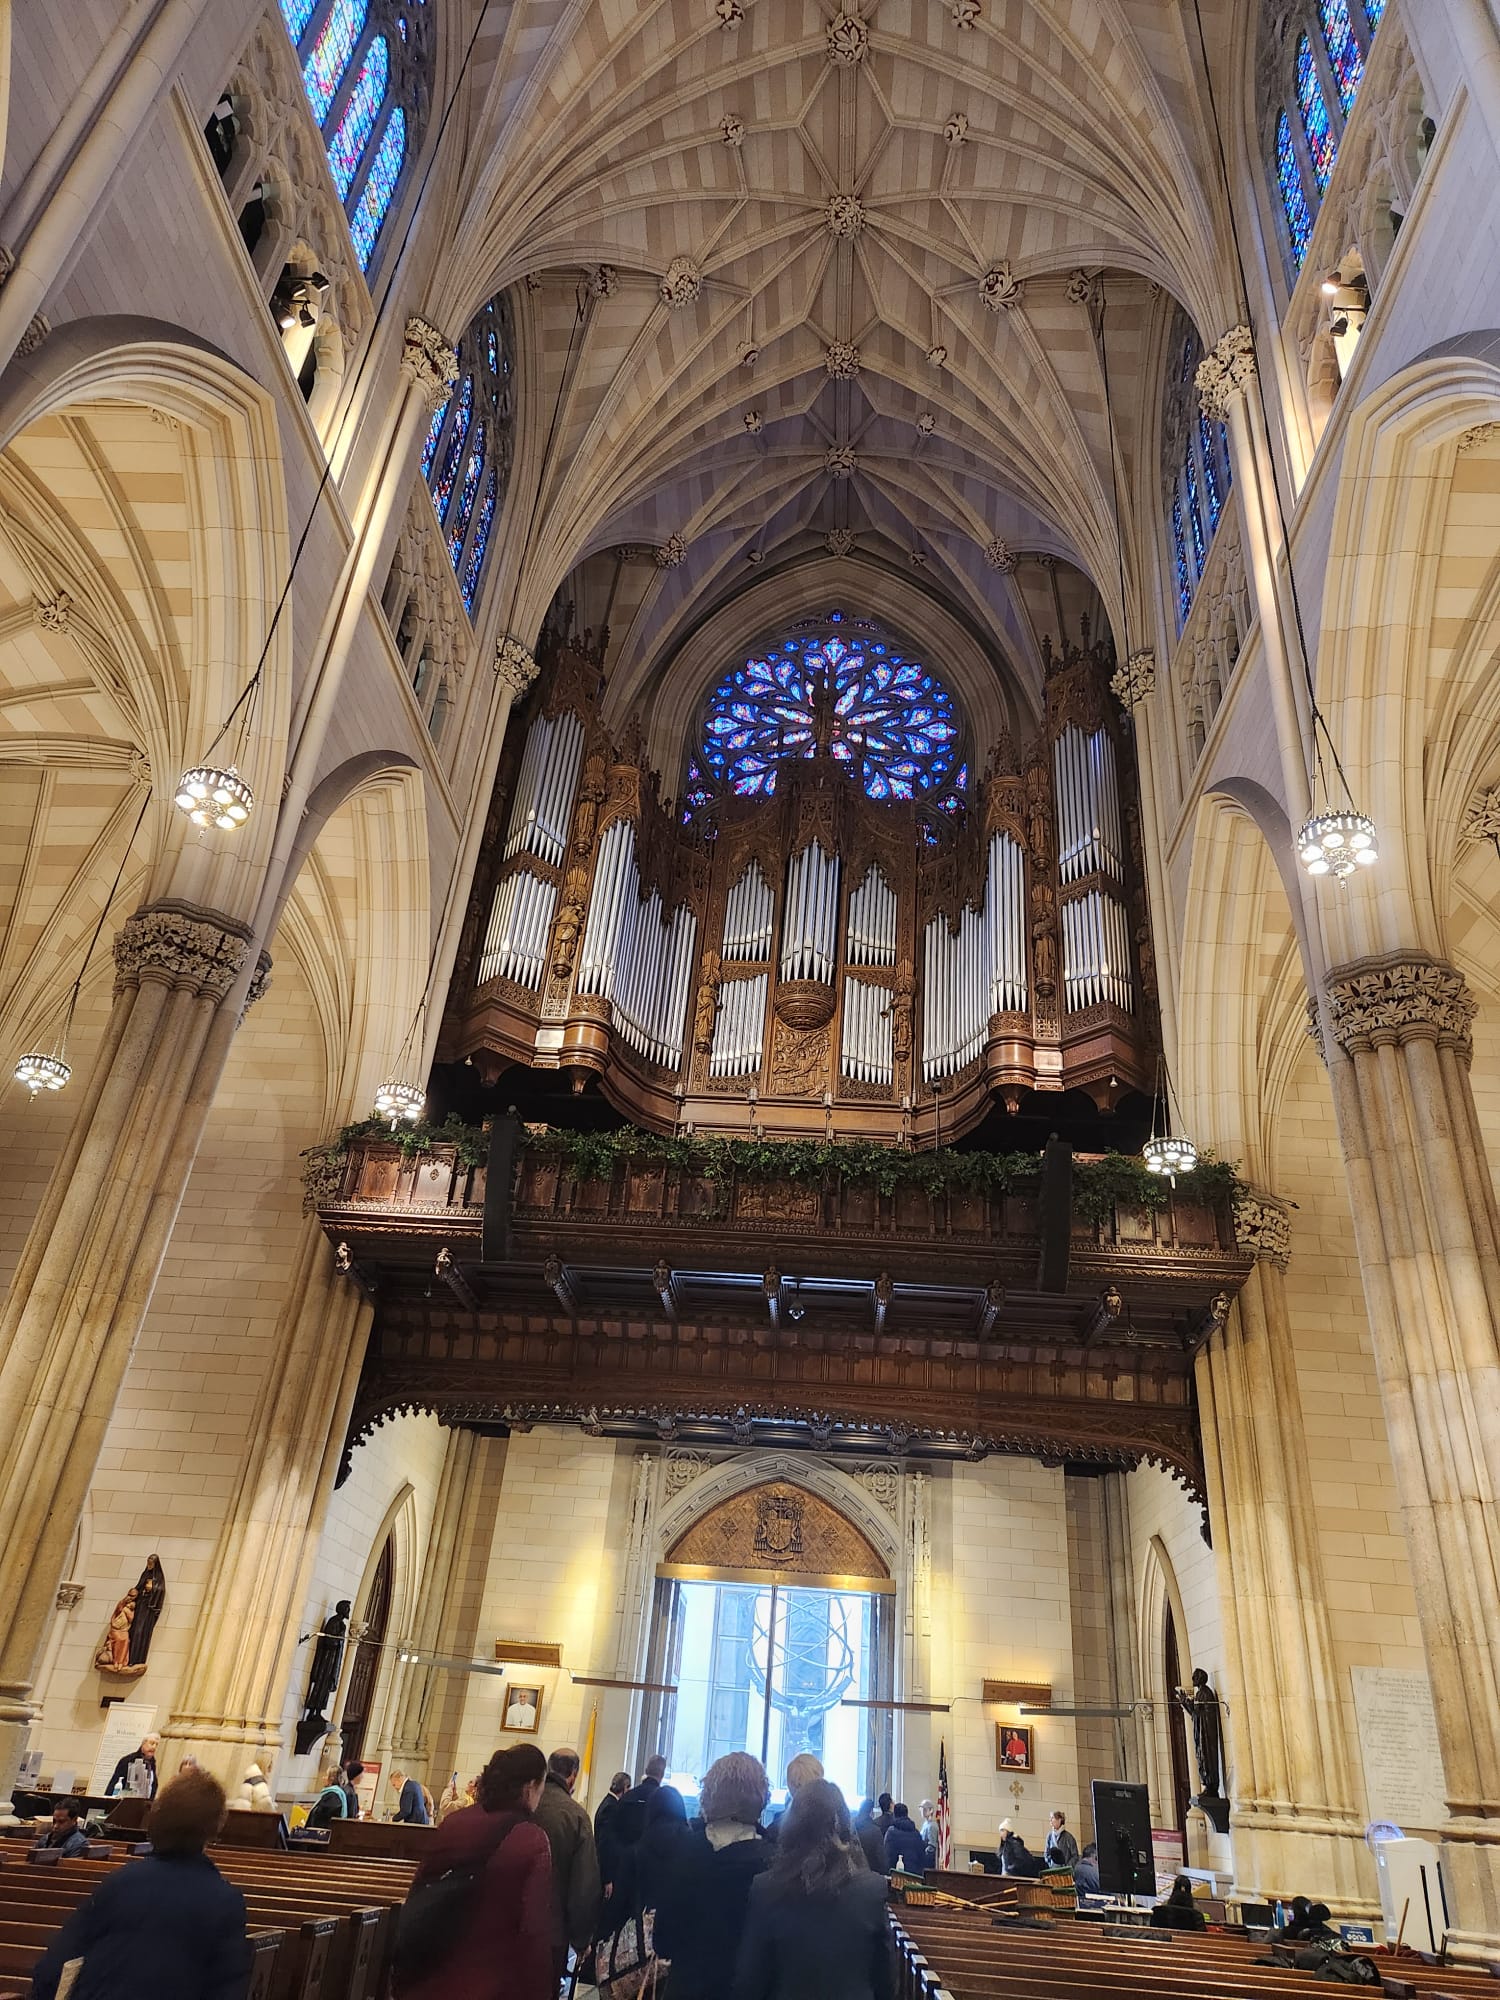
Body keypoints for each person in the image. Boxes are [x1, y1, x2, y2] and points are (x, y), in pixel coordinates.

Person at [30, 1768, 251, 2000]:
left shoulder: (119, 1882)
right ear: (215, 1828)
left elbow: (55, 1965)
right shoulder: (225, 1901)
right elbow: (227, 1987)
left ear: (156, 1819)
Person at [393, 1742, 553, 2000]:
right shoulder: (530, 1840)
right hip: (488, 1979)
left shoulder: (454, 1823)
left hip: (430, 1973)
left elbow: (419, 1887)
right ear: (530, 1787)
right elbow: (533, 1928)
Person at [732, 1779, 895, 2000]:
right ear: (844, 1826)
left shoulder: (765, 1888)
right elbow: (885, 1982)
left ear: (791, 1826)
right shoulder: (873, 1891)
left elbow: (750, 1979)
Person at [655, 1752, 773, 2000]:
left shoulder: (684, 1852)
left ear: (709, 1794)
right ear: (761, 1797)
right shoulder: (774, 1862)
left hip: (688, 1988)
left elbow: (663, 1941)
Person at [530, 1747, 602, 1987]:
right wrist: (582, 1940)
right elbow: (584, 1885)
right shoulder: (576, 1816)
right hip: (552, 1931)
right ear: (573, 1774)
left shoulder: (527, 1802)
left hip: (510, 1925)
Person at [106, 1732, 160, 1799]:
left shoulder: (152, 1764)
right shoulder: (129, 1760)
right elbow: (115, 1782)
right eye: (152, 1743)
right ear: (143, 1743)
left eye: (156, 1744)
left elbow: (153, 1785)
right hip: (124, 1801)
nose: (154, 1747)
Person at [882, 1803, 927, 1875]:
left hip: (897, 1875)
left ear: (894, 1815)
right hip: (915, 1876)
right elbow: (922, 1856)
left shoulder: (891, 1832)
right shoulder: (916, 1833)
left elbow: (887, 1855)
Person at [852, 1798, 886, 1873]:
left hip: (853, 1872)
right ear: (871, 1812)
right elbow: (881, 1856)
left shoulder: (851, 1826)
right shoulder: (875, 1830)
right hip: (870, 1872)